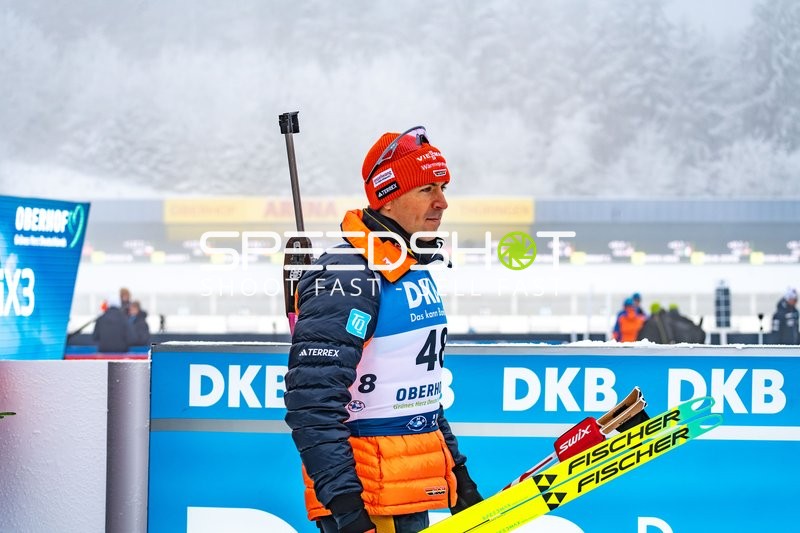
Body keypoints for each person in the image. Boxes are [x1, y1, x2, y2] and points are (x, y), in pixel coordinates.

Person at [284, 127, 482, 533]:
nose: (442, 202)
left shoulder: (408, 274)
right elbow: (312, 407)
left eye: (443, 188)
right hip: (369, 503)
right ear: (388, 196)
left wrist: (459, 481)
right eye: (427, 189)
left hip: (411, 491)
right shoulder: (345, 275)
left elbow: (419, 394)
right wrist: (348, 511)